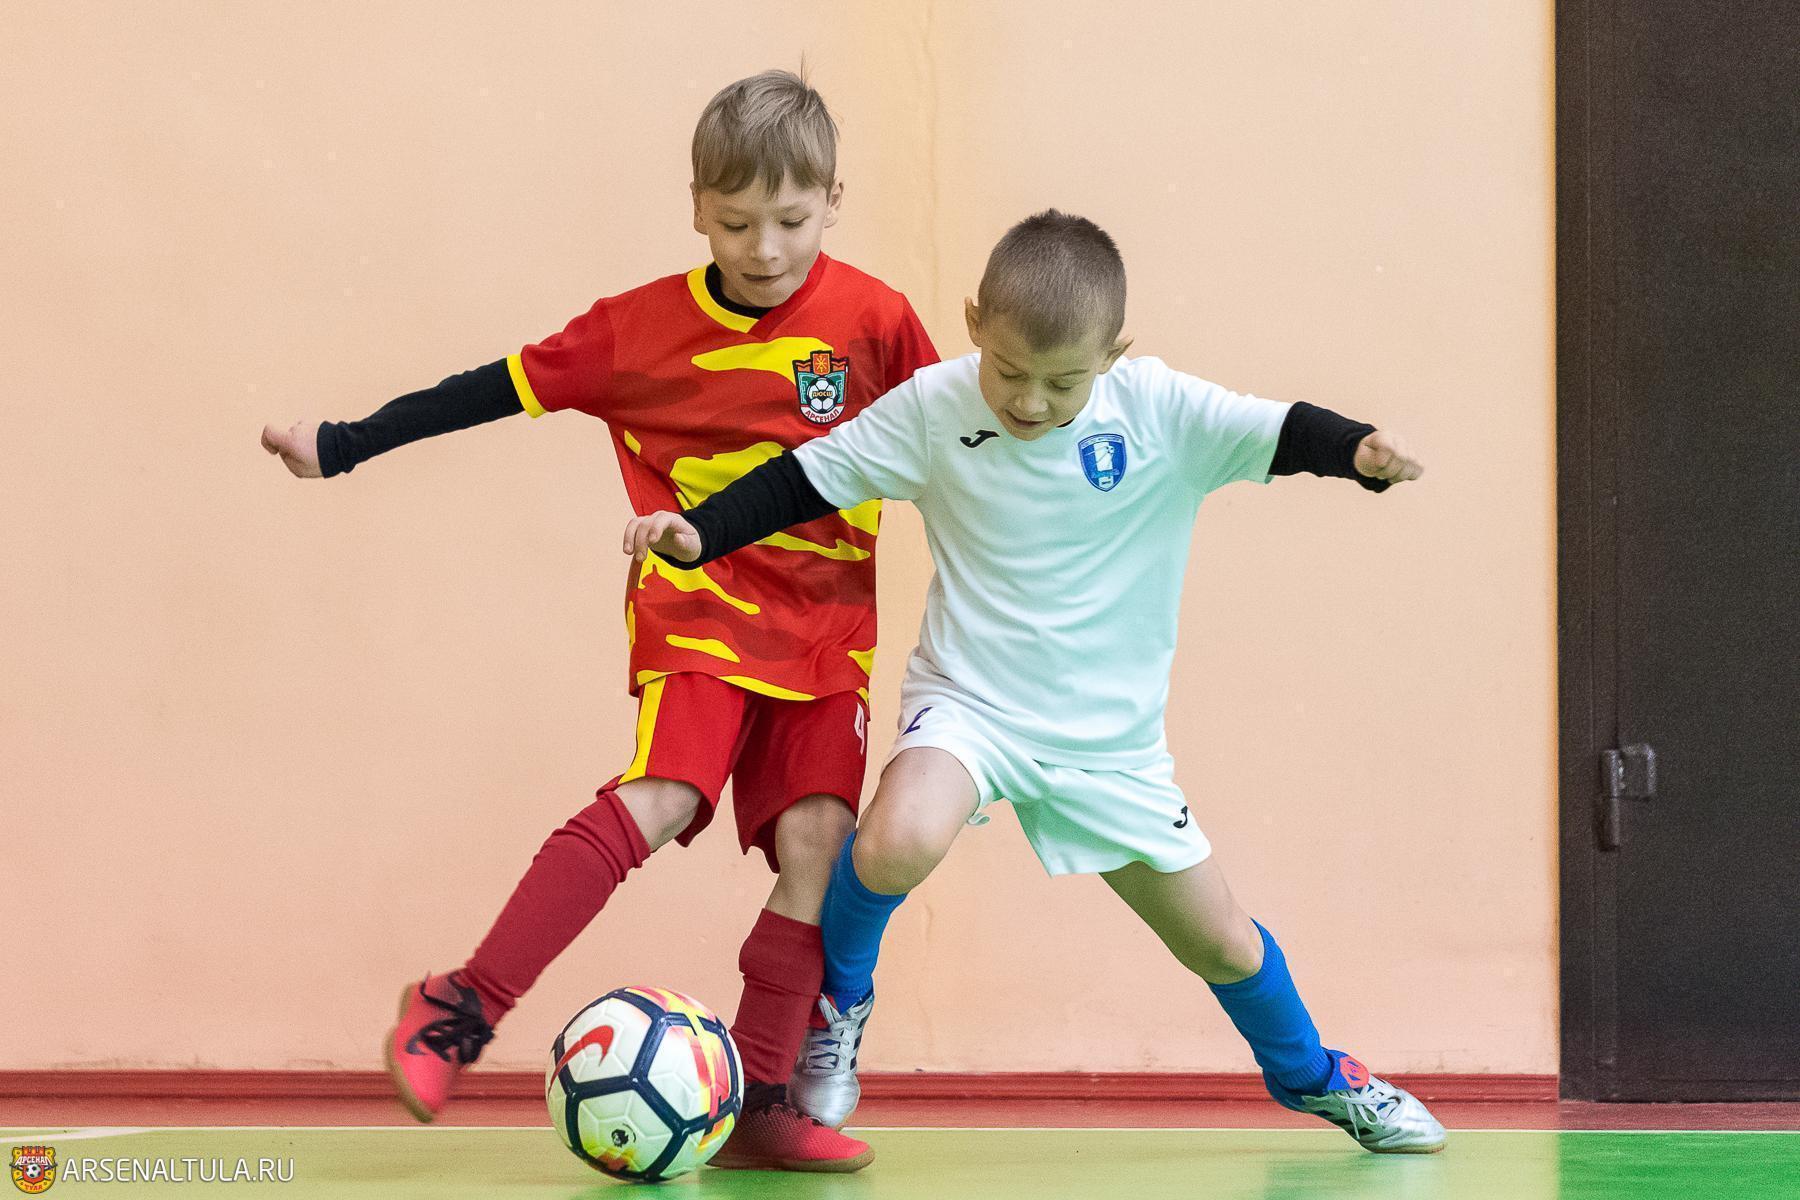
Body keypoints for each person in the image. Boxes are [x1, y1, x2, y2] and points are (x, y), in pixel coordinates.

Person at [622, 209, 1446, 1154]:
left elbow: (1282, 429)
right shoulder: (933, 407)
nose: (1029, 400)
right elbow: (805, 478)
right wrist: (700, 533)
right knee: (895, 838)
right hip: (969, 706)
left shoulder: (1160, 411)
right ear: (975, 323)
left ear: (1113, 355)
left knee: (1221, 942)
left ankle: (1313, 1076)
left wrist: (1359, 453)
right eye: (1009, 371)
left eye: (1062, 382)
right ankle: (836, 1010)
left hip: (1110, 747)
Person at [261, 70, 937, 1172]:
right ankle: (460, 1006)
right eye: (735, 222)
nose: (764, 248)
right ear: (695, 207)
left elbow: (961, 440)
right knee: (665, 798)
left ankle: (762, 1099)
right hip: (700, 606)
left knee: (820, 843)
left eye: (790, 220)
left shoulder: (877, 319)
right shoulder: (637, 331)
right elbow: (490, 388)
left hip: (826, 629)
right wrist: (341, 444)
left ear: (833, 201)